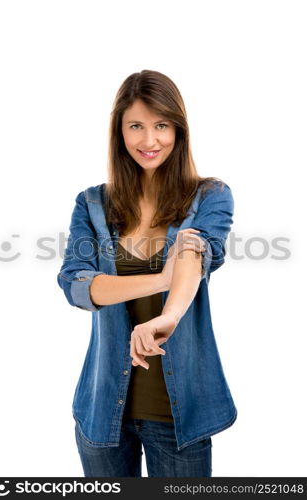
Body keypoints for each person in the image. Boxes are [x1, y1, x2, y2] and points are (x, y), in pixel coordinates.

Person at [57, 69, 237, 477]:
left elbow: (194, 254)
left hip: (178, 418)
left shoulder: (210, 196)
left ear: (179, 129)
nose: (149, 140)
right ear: (119, 131)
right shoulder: (92, 205)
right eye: (135, 126)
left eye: (161, 125)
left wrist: (168, 316)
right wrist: (160, 278)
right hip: (103, 413)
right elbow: (76, 285)